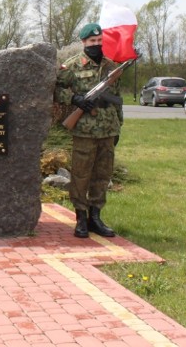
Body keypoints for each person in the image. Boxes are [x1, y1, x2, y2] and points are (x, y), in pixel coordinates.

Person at [54, 22, 123, 238]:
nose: (97, 44)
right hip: (84, 129)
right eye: (92, 41)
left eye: (100, 41)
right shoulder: (72, 66)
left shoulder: (111, 67)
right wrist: (75, 99)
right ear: (83, 42)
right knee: (81, 175)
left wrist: (118, 126)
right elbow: (56, 89)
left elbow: (117, 100)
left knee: (102, 175)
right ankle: (81, 217)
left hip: (107, 129)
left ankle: (96, 217)